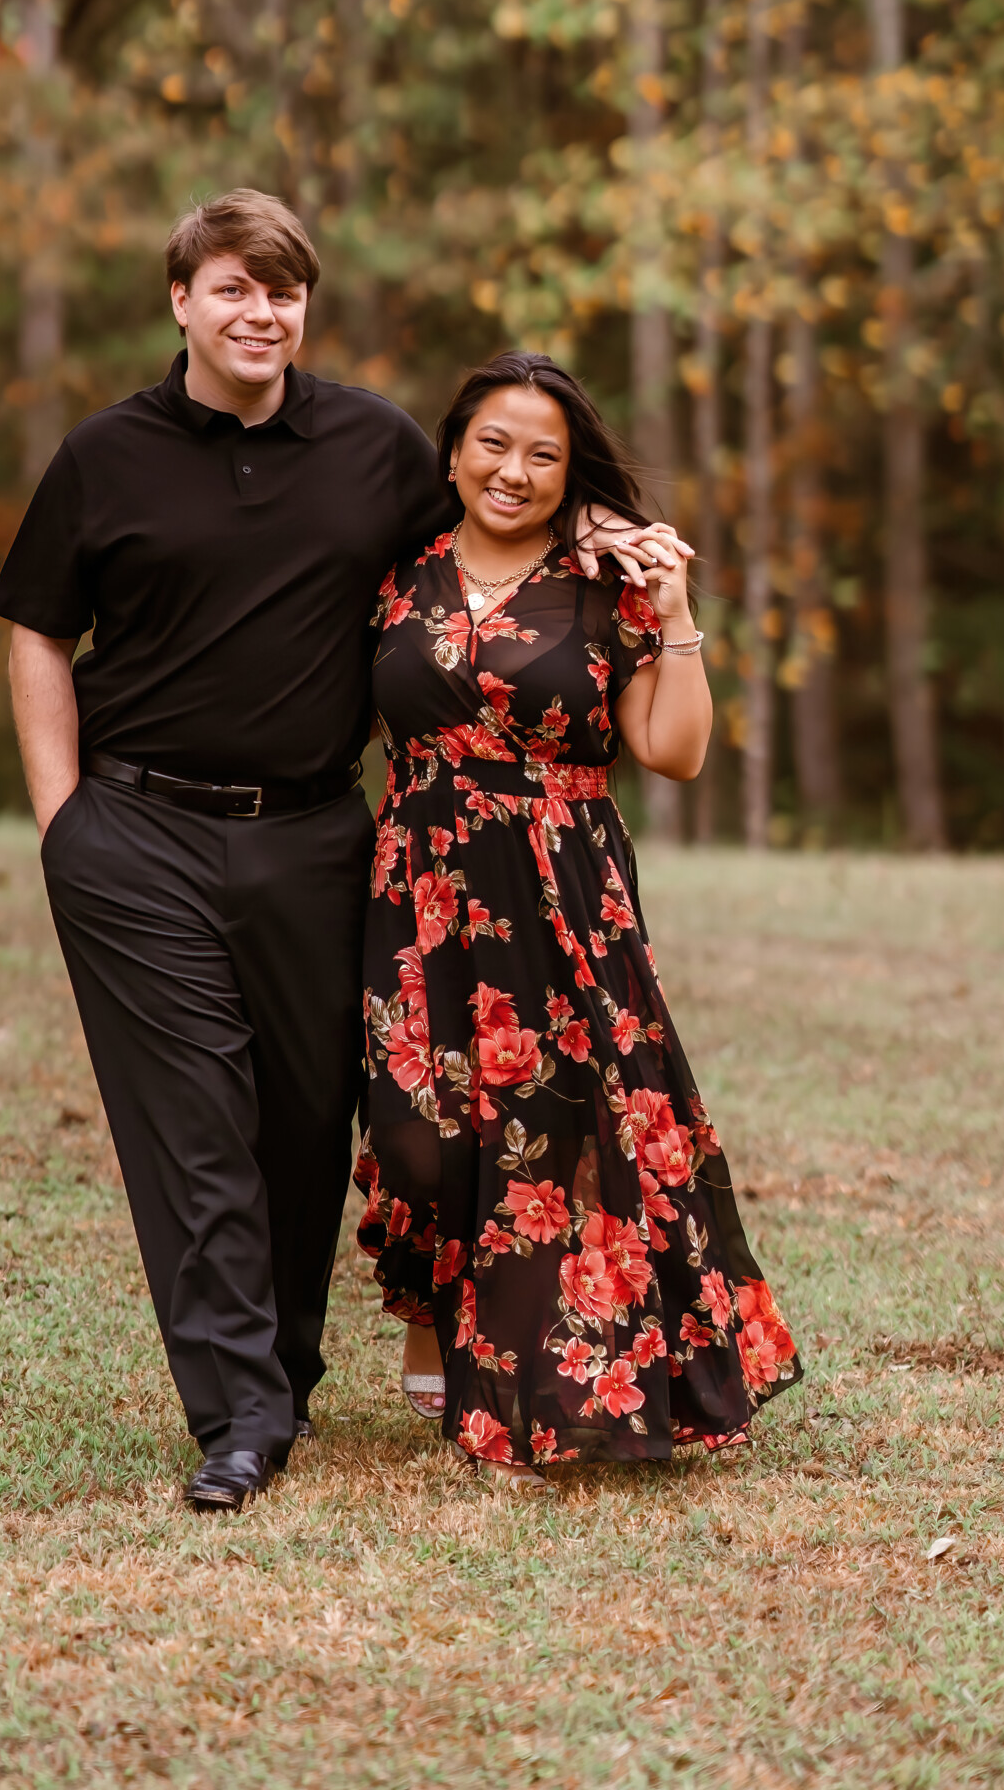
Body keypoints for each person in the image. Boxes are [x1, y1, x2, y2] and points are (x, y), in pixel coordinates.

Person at [0, 191, 686, 1511]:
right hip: (132, 833)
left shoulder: (371, 444)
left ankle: (280, 1377)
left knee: (308, 1123)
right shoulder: (105, 455)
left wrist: (592, 532)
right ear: (180, 303)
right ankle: (237, 1418)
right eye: (233, 289)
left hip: (316, 836)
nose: (260, 314)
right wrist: (61, 817)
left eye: (283, 292)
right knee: (195, 1125)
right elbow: (36, 628)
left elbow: (496, 505)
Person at [355, 351, 800, 1487]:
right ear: (450, 450)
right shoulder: (394, 572)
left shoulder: (606, 582)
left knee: (565, 1129)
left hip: (563, 886)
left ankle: (564, 1377)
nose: (514, 470)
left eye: (543, 453)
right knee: (416, 1125)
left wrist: (679, 609)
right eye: (493, 444)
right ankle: (430, 1321)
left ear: (572, 471)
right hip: (421, 884)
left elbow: (676, 750)